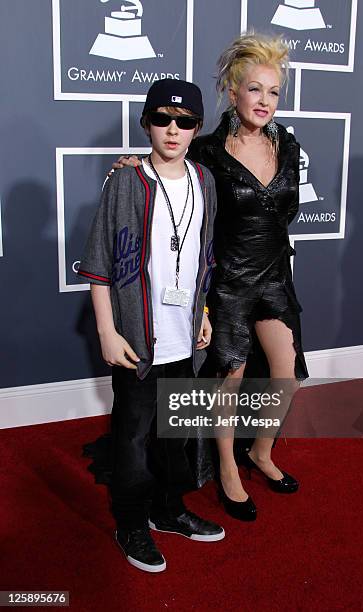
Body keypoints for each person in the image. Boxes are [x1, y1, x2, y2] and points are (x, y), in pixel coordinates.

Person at [111, 33, 309, 522]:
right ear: (234, 92)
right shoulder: (206, 150)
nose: (265, 101)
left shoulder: (288, 144)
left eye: (274, 92)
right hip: (228, 284)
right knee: (230, 380)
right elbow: (167, 167)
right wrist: (133, 164)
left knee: (287, 374)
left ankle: (261, 452)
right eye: (256, 90)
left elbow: (285, 212)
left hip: (275, 277)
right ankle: (227, 468)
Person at [78, 78, 224, 574]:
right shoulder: (125, 181)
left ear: (197, 128)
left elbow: (202, 257)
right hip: (138, 338)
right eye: (162, 118)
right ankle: (131, 521)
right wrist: (106, 331)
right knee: (134, 436)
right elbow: (98, 263)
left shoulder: (205, 181)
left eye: (184, 122)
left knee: (173, 435)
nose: (173, 129)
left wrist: (202, 313)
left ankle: (167, 509)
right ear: (146, 123)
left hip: (185, 333)